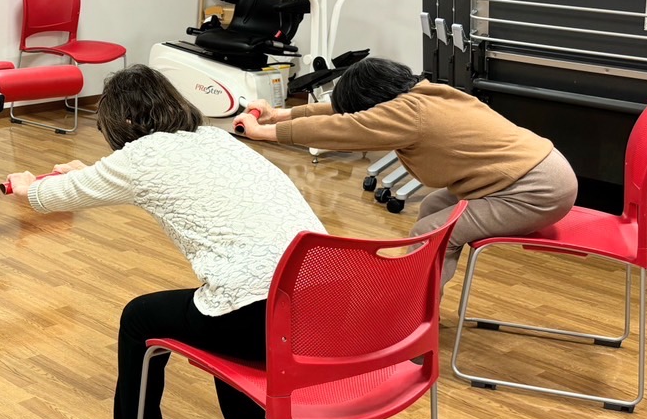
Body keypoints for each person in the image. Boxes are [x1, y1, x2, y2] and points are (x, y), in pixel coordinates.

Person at [6, 65, 324, 419]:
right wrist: (87, 173)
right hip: (321, 307)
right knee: (229, 297)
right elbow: (131, 178)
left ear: (120, 121)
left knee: (144, 318)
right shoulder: (216, 139)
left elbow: (48, 198)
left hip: (259, 318)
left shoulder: (142, 158)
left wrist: (27, 187)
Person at [237, 57, 577, 284]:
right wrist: (279, 114)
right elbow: (340, 113)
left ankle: (411, 319)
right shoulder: (425, 94)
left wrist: (264, 132)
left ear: (377, 105)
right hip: (535, 173)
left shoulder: (406, 115)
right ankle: (415, 293)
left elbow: (341, 127)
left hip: (533, 191)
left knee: (434, 231)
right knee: (433, 206)